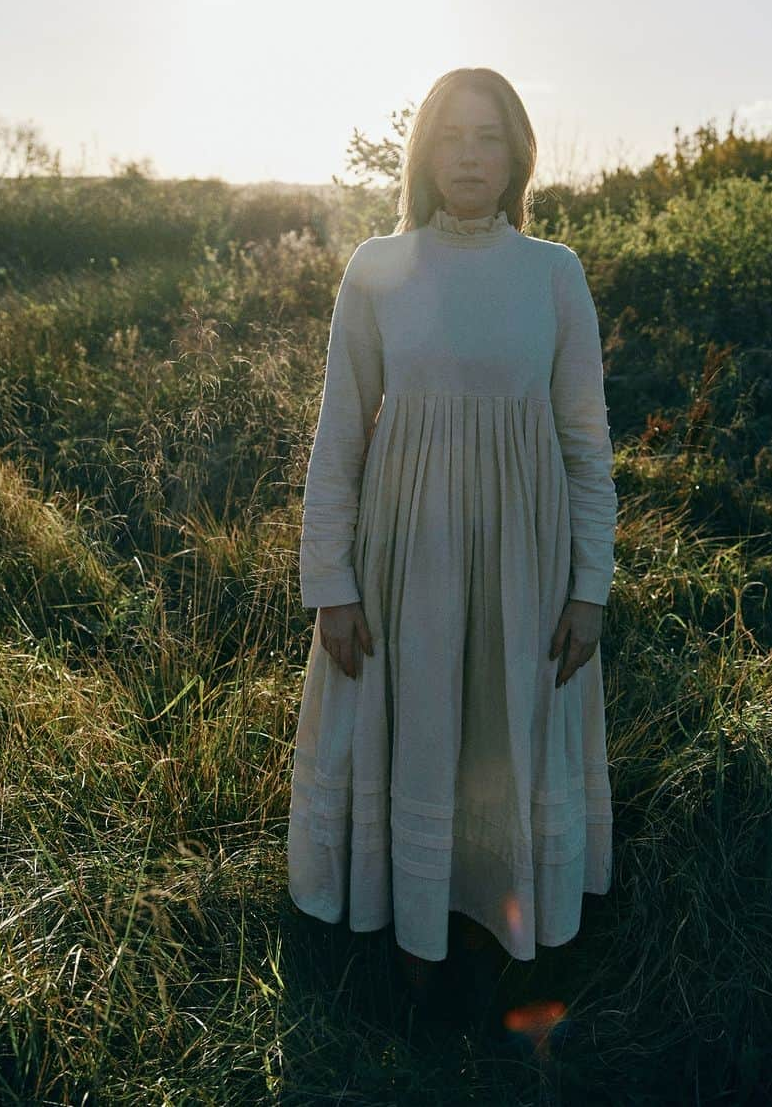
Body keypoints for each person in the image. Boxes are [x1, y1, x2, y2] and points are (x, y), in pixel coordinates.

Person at [286, 67, 617, 1019]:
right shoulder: (378, 267)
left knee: (505, 735)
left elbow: (585, 442)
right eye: (450, 137)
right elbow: (339, 437)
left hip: (526, 561)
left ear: (517, 153)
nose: (469, 156)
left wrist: (588, 585)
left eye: (489, 137)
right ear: (424, 153)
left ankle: (503, 940)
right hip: (404, 562)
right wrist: (331, 585)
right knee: (420, 729)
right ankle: (410, 952)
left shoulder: (553, 271)